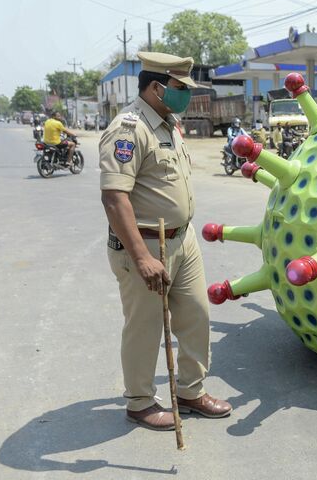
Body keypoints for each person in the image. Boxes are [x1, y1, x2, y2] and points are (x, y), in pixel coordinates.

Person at [99, 51, 232, 431]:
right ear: (156, 87)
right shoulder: (129, 128)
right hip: (143, 244)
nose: (185, 95)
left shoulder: (168, 123)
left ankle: (191, 391)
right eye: (178, 87)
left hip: (182, 240)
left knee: (196, 316)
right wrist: (140, 257)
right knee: (145, 327)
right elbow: (114, 197)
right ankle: (139, 401)